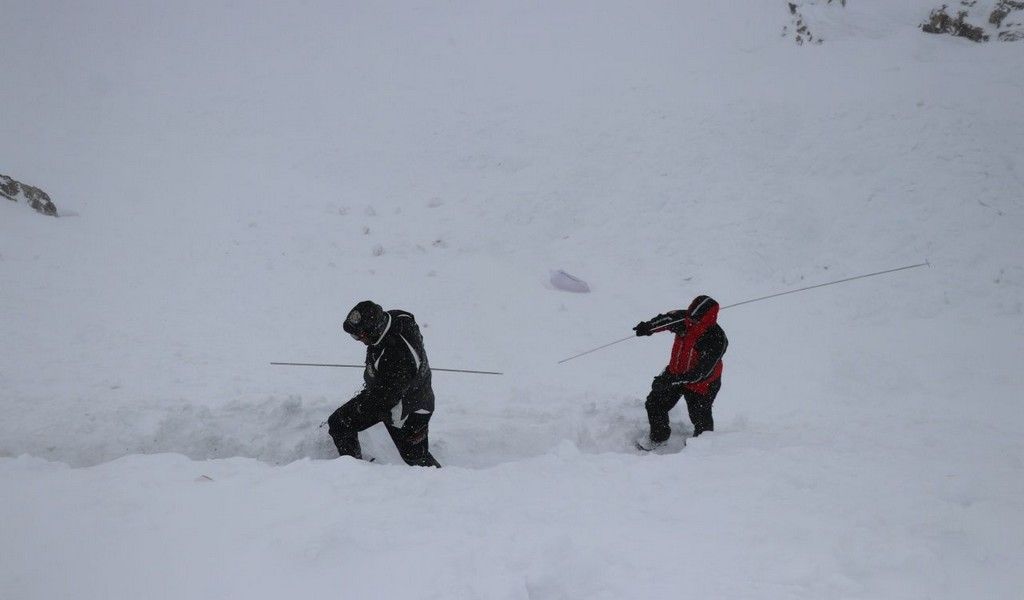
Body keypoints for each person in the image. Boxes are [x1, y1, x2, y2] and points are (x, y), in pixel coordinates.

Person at [327, 300, 441, 467]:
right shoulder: (397, 318)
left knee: (415, 459)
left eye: (358, 335)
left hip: (410, 409)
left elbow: (383, 401)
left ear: (374, 330)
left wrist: (359, 407)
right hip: (399, 392)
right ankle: (353, 470)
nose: (357, 339)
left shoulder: (397, 358)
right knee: (340, 422)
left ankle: (446, 485)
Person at [633, 295, 728, 450]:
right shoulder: (685, 319)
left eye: (695, 320)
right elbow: (667, 319)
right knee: (654, 403)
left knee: (700, 417)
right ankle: (659, 438)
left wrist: (672, 380)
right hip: (676, 372)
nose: (689, 322)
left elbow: (701, 373)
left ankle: (701, 450)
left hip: (703, 384)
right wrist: (649, 327)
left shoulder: (716, 338)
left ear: (707, 319)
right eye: (689, 316)